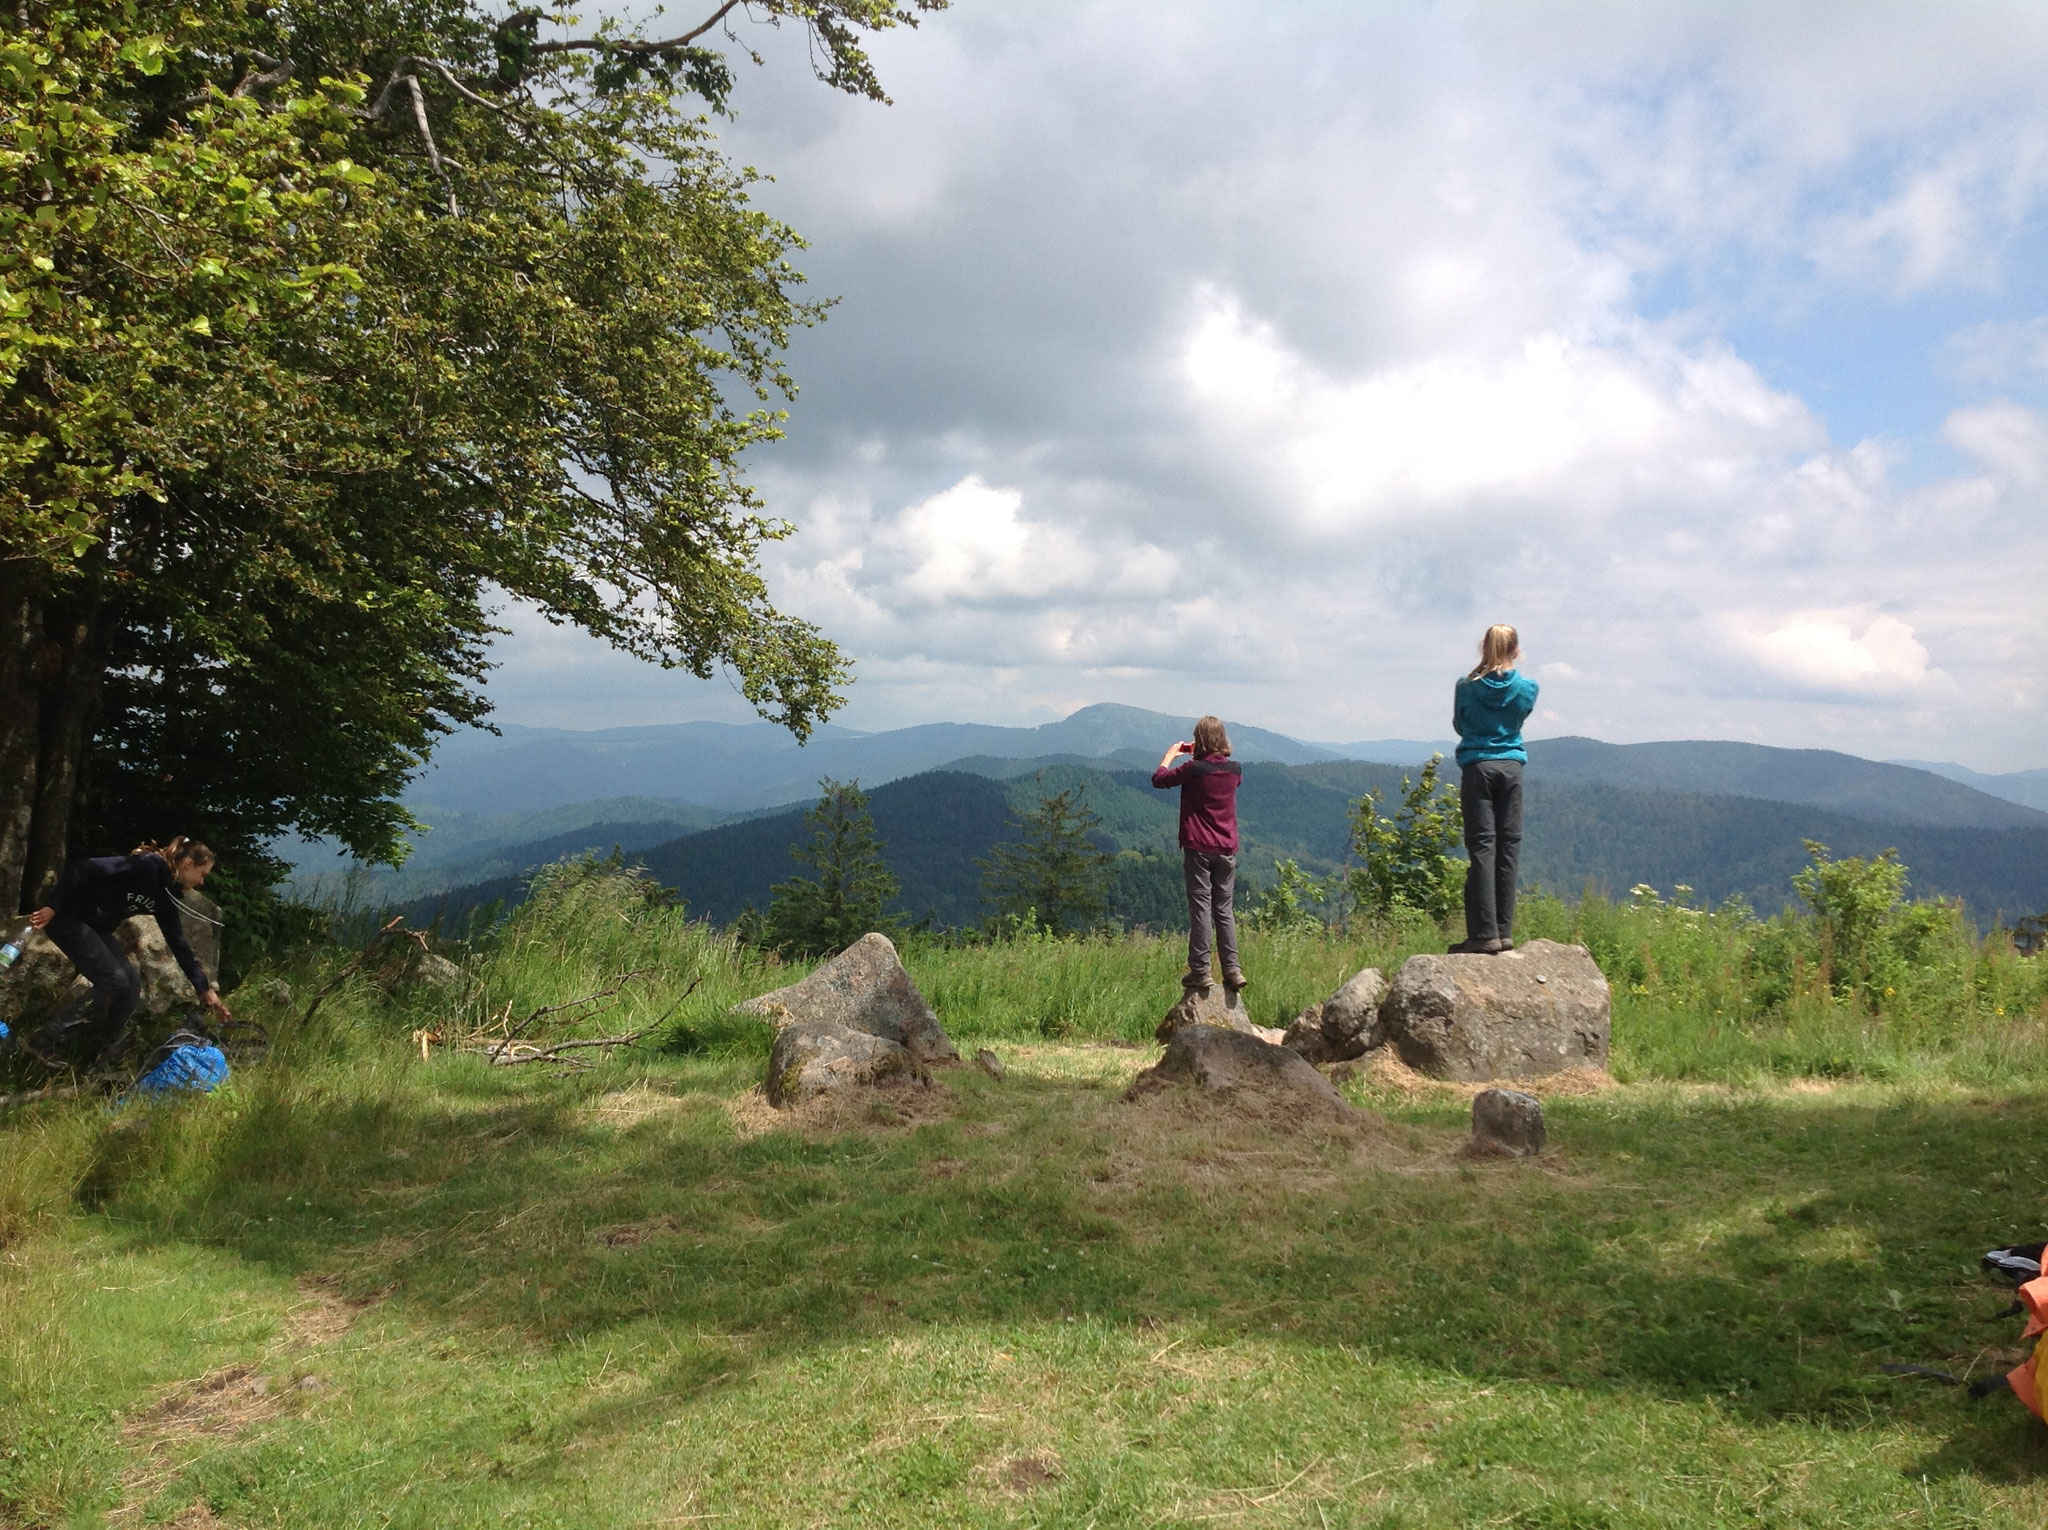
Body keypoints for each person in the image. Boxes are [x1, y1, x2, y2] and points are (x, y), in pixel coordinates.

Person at [21, 837, 232, 1074]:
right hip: (69, 918)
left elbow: (178, 942)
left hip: (96, 929)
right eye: (202, 874)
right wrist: (52, 906)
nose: (202, 882)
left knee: (131, 984)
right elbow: (83, 867)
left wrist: (204, 989)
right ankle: (45, 1040)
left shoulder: (165, 894)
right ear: (188, 864)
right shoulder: (147, 866)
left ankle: (105, 1061)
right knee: (113, 981)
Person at [1451, 626, 1538, 955]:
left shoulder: (1466, 687)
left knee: (1483, 849)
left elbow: (1461, 725)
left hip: (1478, 768)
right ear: (1515, 651)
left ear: (1483, 649)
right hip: (1512, 769)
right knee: (1508, 848)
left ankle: (1482, 934)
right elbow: (1520, 717)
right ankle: (1504, 931)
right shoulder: (1528, 688)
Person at [1152, 716, 1247, 994]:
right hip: (1227, 848)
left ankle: (1201, 971)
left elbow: (1159, 780)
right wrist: (1206, 751)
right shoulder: (1235, 770)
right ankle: (1233, 970)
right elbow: (1219, 767)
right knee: (1224, 910)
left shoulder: (1193, 769)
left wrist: (1171, 754)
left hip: (1199, 847)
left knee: (1201, 909)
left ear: (1198, 740)